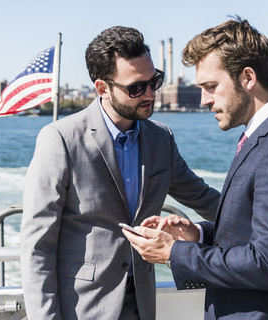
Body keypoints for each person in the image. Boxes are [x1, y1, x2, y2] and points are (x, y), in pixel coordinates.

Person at [123, 16, 268, 319]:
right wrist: (198, 235)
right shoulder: (265, 136)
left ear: (248, 78)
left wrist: (174, 254)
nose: (204, 100)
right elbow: (253, 232)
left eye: (211, 86)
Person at [20, 26, 220, 320]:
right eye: (137, 87)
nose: (150, 93)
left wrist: (263, 219)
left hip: (141, 301)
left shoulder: (161, 138)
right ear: (103, 88)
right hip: (81, 308)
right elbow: (37, 245)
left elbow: (202, 197)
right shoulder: (60, 139)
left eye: (155, 81)